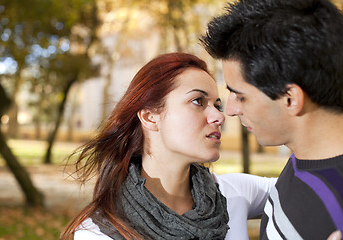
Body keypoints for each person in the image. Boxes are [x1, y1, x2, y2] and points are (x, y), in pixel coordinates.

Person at [60, 52, 276, 240]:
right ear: (150, 117)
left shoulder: (234, 193)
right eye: (198, 101)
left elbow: (307, 179)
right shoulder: (100, 232)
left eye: (216, 105)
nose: (218, 116)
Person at [201, 0, 343, 239]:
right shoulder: (305, 158)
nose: (231, 110)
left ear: (290, 99)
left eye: (240, 96)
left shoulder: (335, 208)